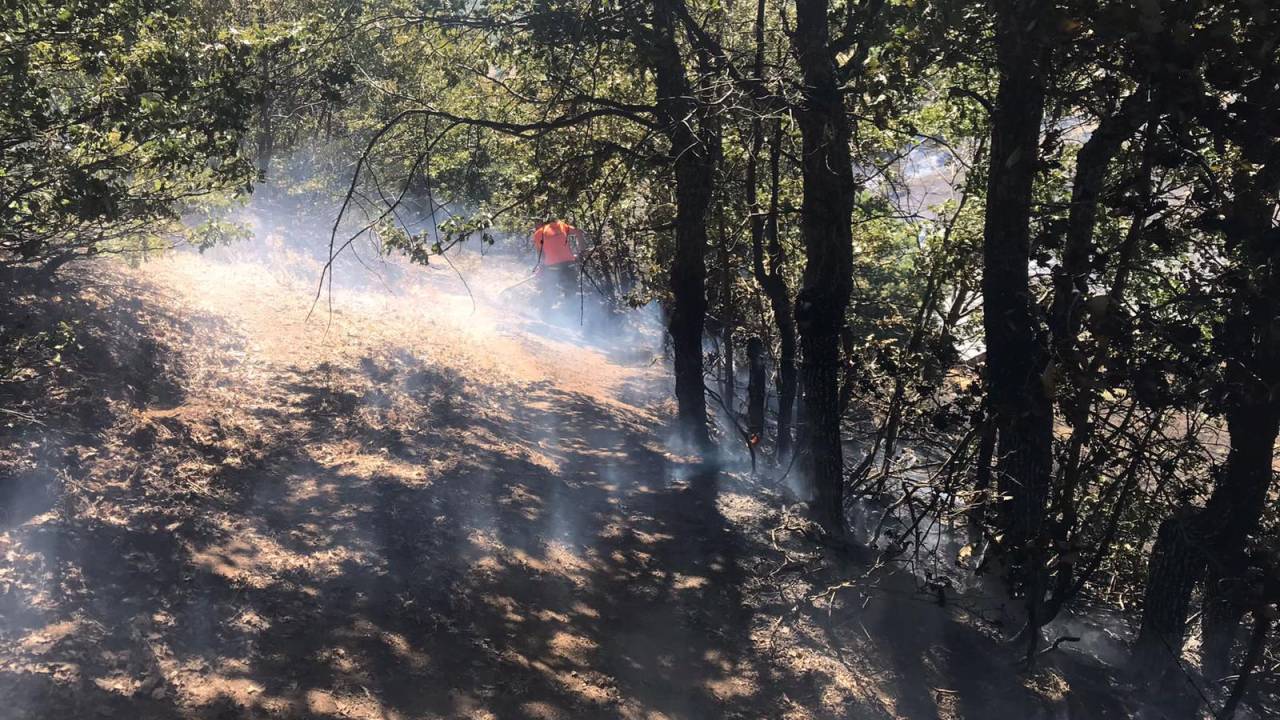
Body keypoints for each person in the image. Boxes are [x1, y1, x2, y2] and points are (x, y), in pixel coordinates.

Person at [531, 219, 583, 306]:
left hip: (552, 267)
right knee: (571, 291)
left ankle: (547, 310)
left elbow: (541, 256)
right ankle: (571, 310)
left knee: (548, 289)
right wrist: (582, 252)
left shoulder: (538, 234)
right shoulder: (561, 225)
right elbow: (579, 232)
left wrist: (540, 268)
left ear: (540, 223)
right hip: (569, 264)